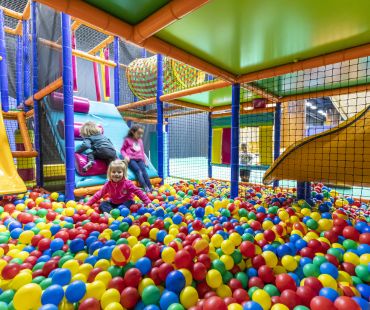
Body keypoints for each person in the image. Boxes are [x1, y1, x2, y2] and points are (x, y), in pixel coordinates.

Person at [86, 159, 153, 214]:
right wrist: (88, 203)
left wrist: (148, 202)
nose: (116, 174)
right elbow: (99, 194)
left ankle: (119, 213)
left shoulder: (127, 183)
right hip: (113, 204)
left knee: (130, 203)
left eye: (119, 172)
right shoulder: (108, 184)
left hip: (125, 203)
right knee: (103, 204)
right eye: (114, 172)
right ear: (110, 173)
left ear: (123, 173)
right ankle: (110, 213)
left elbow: (138, 191)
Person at [121, 124, 153, 192]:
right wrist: (126, 156)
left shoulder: (140, 140)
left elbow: (142, 151)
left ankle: (150, 186)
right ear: (133, 132)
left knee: (144, 172)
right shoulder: (128, 140)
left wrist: (144, 160)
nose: (140, 136)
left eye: (141, 134)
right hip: (131, 159)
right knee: (138, 171)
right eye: (138, 133)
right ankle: (145, 186)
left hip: (140, 159)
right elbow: (122, 150)